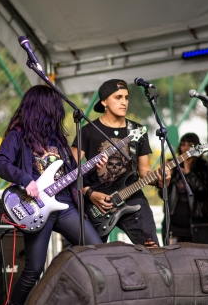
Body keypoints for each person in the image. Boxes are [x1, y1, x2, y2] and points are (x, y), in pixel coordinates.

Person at [0, 85, 105, 305]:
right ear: (43, 108)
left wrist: (94, 168)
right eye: (55, 107)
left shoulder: (59, 140)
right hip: (35, 207)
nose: (60, 112)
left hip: (65, 205)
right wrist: (25, 179)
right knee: (34, 269)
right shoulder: (18, 136)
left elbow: (73, 174)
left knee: (97, 250)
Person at [71, 79, 171, 247]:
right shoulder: (88, 131)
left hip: (131, 197)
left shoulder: (137, 131)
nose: (124, 102)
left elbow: (144, 170)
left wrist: (160, 179)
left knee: (152, 249)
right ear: (104, 101)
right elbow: (70, 171)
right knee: (92, 257)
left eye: (126, 97)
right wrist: (90, 194)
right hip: (97, 202)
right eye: (118, 97)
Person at [159, 133, 208, 244]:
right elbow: (162, 195)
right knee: (172, 258)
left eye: (190, 145)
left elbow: (204, 193)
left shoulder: (203, 166)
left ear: (197, 147)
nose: (186, 148)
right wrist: (167, 178)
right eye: (183, 144)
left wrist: (189, 174)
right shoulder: (173, 164)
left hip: (195, 223)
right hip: (173, 224)